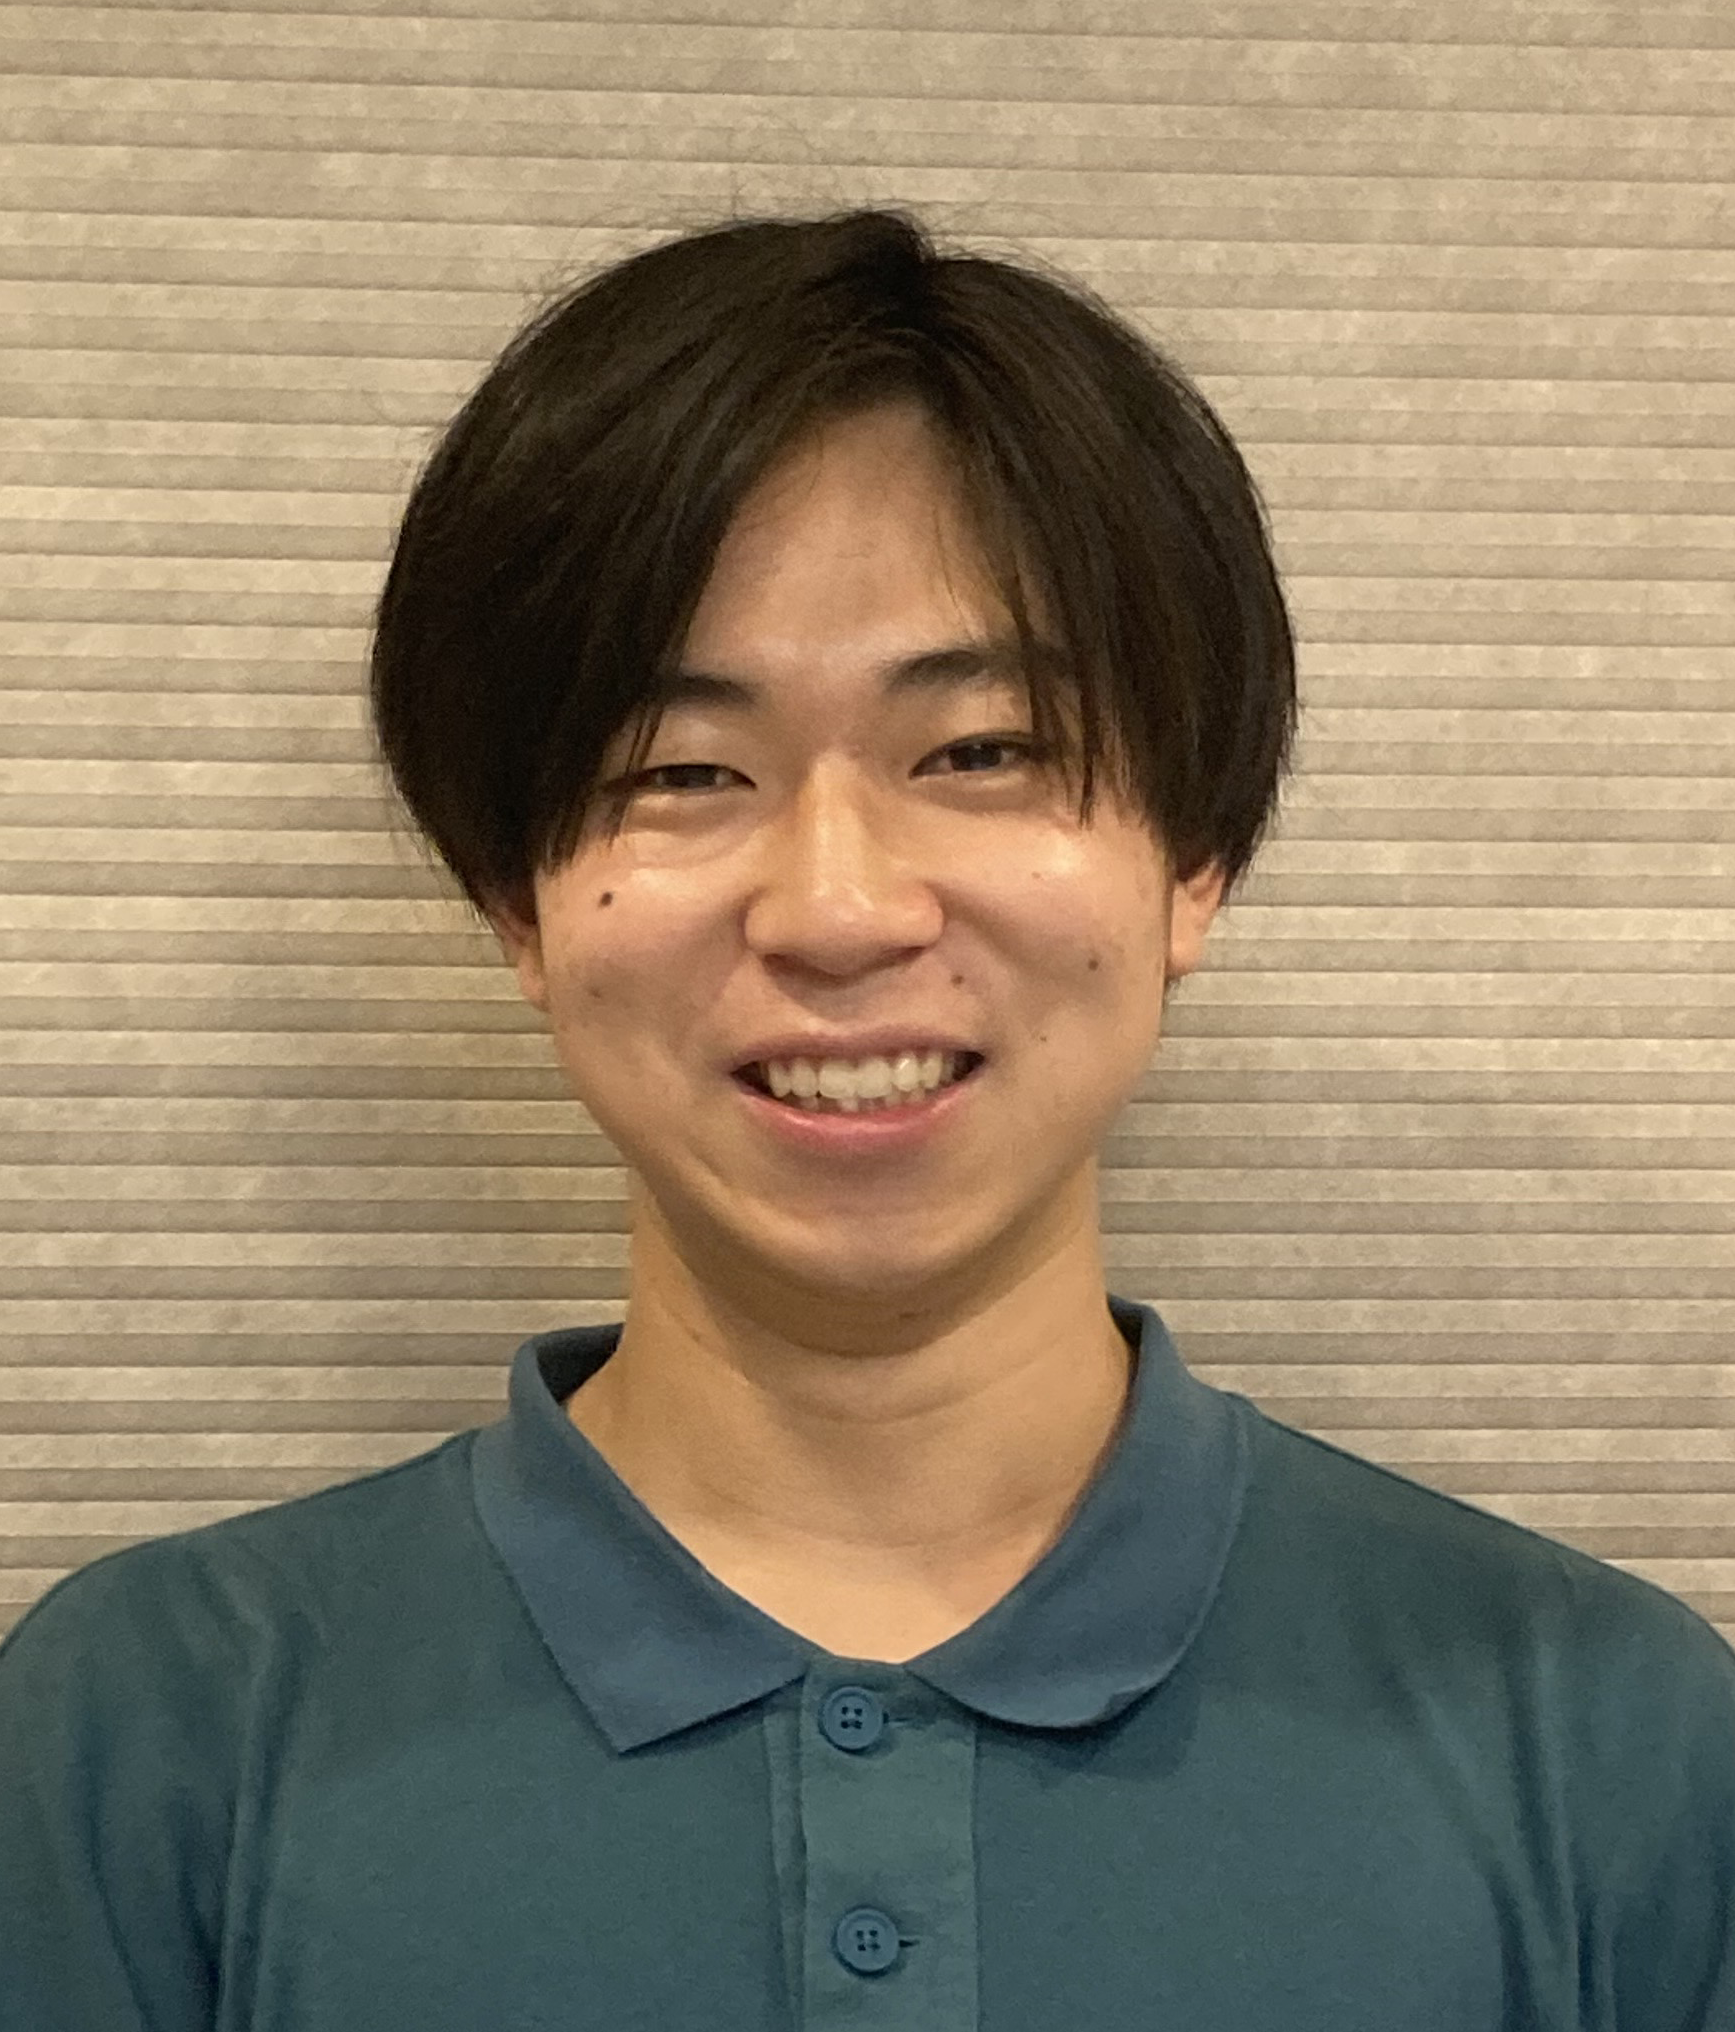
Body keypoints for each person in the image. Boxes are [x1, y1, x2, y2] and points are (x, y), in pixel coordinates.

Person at [1, 207, 1729, 2031]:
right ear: (520, 907)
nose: (837, 910)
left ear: (1193, 860)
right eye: (682, 769)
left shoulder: (1601, 1736)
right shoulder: (150, 1732)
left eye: (980, 751)